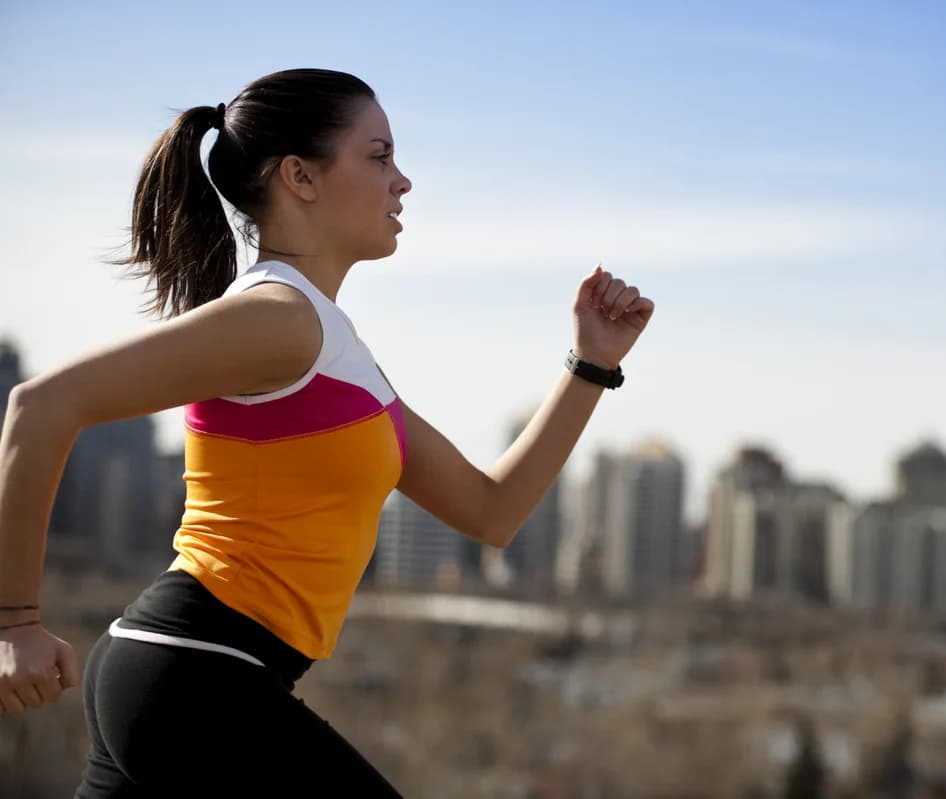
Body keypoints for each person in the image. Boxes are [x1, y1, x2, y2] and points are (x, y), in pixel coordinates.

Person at [0, 68, 654, 797]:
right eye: (379, 157)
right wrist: (15, 621)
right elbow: (39, 407)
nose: (402, 181)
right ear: (300, 177)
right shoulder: (278, 318)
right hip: (202, 673)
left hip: (186, 673)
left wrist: (590, 364)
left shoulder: (333, 347)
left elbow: (490, 508)